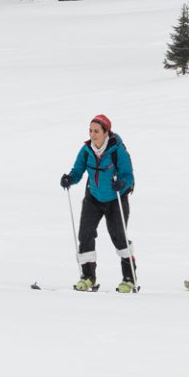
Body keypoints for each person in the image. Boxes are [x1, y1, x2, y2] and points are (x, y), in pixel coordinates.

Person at [61, 114, 136, 292]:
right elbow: (78, 170)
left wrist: (122, 184)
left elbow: (128, 176)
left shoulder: (118, 151)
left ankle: (129, 278)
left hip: (115, 199)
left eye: (96, 131)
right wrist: (70, 179)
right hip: (93, 198)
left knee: (119, 237)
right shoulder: (86, 150)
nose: (92, 134)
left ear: (106, 132)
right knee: (85, 235)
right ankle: (88, 277)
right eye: (90, 130)